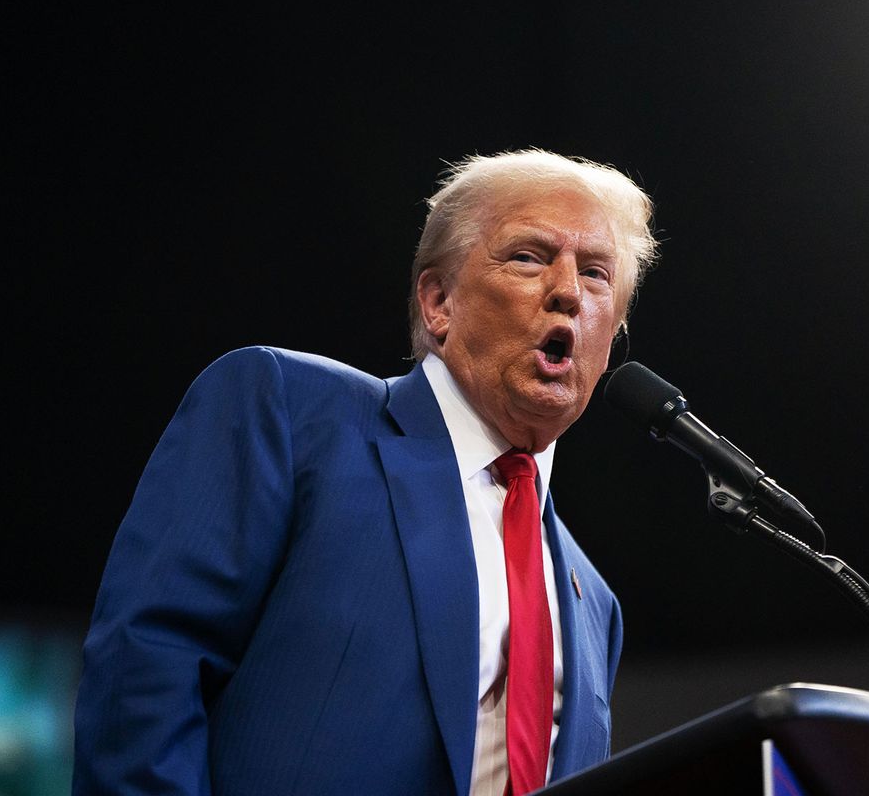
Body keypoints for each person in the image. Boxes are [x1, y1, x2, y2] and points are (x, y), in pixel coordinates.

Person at [73, 149, 658, 795]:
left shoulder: (593, 605)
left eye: (598, 273)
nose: (569, 292)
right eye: (528, 256)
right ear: (439, 301)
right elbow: (147, 665)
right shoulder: (292, 413)